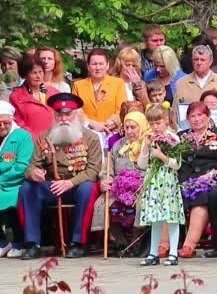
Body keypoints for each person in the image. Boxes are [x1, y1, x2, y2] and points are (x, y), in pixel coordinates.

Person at [19, 93, 102, 259]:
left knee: (88, 188)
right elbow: (31, 165)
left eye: (68, 114)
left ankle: (79, 243)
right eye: (59, 114)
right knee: (27, 189)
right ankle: (32, 244)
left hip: (77, 185)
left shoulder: (91, 138)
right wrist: (34, 173)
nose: (64, 119)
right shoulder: (44, 137)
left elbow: (93, 170)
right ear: (54, 115)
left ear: (76, 115)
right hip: (51, 186)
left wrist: (70, 183)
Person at [90, 110, 149, 252]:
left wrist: (141, 183)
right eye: (126, 127)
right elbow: (107, 170)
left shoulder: (147, 145)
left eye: (133, 127)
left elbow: (151, 169)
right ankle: (120, 242)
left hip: (141, 188)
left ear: (141, 126)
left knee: (142, 204)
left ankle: (136, 243)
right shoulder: (118, 145)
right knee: (103, 204)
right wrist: (105, 180)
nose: (129, 131)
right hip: (119, 187)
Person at [137, 103, 185, 266]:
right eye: (151, 124)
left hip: (168, 182)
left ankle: (173, 253)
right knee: (155, 218)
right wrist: (145, 149)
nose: (154, 127)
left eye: (157, 123)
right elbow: (142, 164)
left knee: (171, 217)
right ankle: (153, 253)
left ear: (166, 120)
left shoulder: (173, 138)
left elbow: (177, 164)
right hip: (154, 182)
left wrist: (162, 157)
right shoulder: (149, 139)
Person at [177, 102, 217, 258]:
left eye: (200, 115)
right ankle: (165, 245)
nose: (197, 119)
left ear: (208, 116)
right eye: (192, 116)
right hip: (184, 178)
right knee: (171, 195)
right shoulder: (181, 137)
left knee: (201, 195)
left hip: (209, 178)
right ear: (187, 119)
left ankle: (188, 245)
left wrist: (211, 174)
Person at [0, 101, 33, 258]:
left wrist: (2, 179)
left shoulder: (23, 136)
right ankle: (2, 241)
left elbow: (21, 166)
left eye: (6, 122)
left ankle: (18, 242)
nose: (2, 126)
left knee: (9, 199)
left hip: (15, 183)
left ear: (12, 120)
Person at [71, 48, 127, 135]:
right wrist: (92, 124)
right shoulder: (78, 86)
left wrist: (112, 122)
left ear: (107, 65)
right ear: (88, 66)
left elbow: (121, 108)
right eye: (94, 64)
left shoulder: (118, 83)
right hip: (86, 133)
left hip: (112, 132)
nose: (98, 67)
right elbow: (75, 110)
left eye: (101, 64)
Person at [173, 45, 217, 129]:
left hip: (216, 134)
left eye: (202, 60)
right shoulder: (181, 83)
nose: (199, 63)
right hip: (188, 134)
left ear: (210, 61)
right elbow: (175, 112)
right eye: (196, 59)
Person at [10, 55, 60, 141]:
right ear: (25, 75)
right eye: (34, 73)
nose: (38, 76)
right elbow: (17, 122)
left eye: (40, 72)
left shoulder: (54, 92)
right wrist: (35, 138)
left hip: (55, 140)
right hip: (30, 142)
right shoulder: (16, 96)